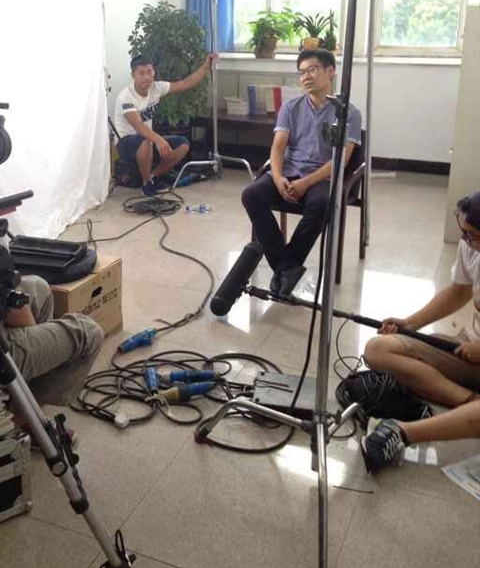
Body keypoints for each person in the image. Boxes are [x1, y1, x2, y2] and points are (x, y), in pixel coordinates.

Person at [361, 190, 480, 473]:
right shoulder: (471, 245)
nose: (465, 240)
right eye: (463, 232)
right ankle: (467, 401)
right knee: (378, 349)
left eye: (472, 235)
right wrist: (411, 324)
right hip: (469, 347)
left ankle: (404, 432)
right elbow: (458, 292)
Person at [241, 48, 362, 296]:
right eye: (302, 72)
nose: (306, 76)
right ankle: (287, 267)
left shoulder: (349, 113)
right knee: (251, 195)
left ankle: (286, 266)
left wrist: (306, 183)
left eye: (312, 70)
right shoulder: (290, 107)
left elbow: (341, 160)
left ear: (330, 71)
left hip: (322, 177)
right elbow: (277, 148)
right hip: (290, 170)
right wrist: (278, 178)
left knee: (322, 204)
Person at [0, 275, 104, 444]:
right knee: (89, 334)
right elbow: (16, 313)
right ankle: (23, 418)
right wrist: (33, 337)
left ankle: (22, 400)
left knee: (39, 288)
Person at [114, 53, 216, 197]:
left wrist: (206, 67)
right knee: (147, 140)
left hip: (148, 141)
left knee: (182, 144)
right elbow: (138, 126)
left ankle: (153, 176)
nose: (146, 77)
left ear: (154, 72)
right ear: (133, 75)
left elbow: (184, 84)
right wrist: (159, 140)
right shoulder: (126, 97)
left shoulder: (156, 88)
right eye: (141, 73)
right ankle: (146, 183)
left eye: (149, 72)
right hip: (126, 143)